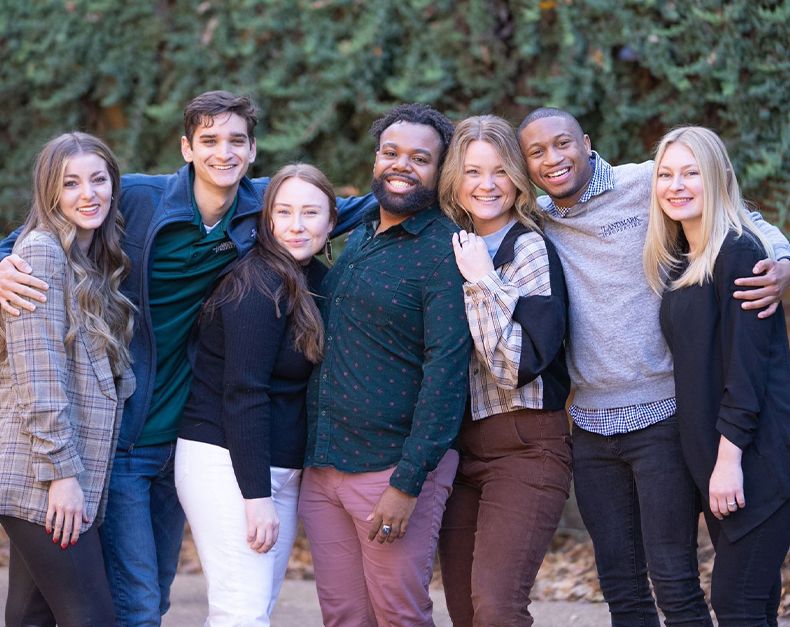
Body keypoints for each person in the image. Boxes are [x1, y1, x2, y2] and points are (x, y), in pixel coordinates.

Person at [0, 91, 376, 626]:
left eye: (236, 141)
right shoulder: (133, 198)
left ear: (252, 151)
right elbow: (35, 234)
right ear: (186, 148)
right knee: (135, 604)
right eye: (209, 141)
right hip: (120, 435)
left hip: (181, 437)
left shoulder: (265, 208)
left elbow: (339, 210)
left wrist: (434, 187)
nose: (223, 153)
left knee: (133, 594)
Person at [517, 107, 790, 626]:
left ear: (586, 142)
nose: (554, 159)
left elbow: (741, 218)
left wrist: (782, 266)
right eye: (537, 152)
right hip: (592, 423)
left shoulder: (649, 181)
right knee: (622, 588)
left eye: (563, 144)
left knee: (677, 584)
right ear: (526, 165)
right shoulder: (538, 217)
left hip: (665, 416)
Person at [297, 103, 471, 626]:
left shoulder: (444, 251)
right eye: (391, 152)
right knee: (344, 615)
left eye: (420, 158)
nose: (401, 165)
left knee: (399, 613)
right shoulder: (360, 232)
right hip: (323, 465)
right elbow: (278, 200)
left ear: (441, 172)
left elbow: (447, 372)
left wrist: (408, 483)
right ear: (375, 159)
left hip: (390, 469)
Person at [175, 163, 337, 626]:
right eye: (283, 212)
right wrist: (255, 496)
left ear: (331, 222)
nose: (296, 224)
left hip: (278, 468)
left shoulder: (319, 281)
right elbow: (244, 393)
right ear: (267, 221)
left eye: (310, 212)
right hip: (226, 461)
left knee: (253, 607)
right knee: (240, 612)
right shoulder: (256, 284)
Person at [643, 126, 790, 626]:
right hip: (716, 461)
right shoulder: (683, 259)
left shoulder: (741, 253)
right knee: (756, 605)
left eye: (691, 173)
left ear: (719, 178)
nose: (676, 185)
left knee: (737, 605)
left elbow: (747, 372)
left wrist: (729, 461)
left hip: (757, 459)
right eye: (665, 174)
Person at [436, 115, 572, 626]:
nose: (487, 185)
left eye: (499, 171)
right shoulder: (447, 243)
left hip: (526, 445)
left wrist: (483, 281)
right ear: (455, 179)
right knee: (463, 611)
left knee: (497, 607)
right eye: (473, 172)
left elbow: (512, 366)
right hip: (459, 450)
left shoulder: (529, 249)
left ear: (517, 177)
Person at [0, 132, 135, 626]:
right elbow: (39, 372)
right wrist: (62, 475)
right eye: (71, 183)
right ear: (49, 192)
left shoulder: (88, 259)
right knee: (92, 617)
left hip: (53, 475)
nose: (88, 194)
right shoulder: (40, 253)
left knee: (30, 615)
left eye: (98, 180)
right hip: (45, 476)